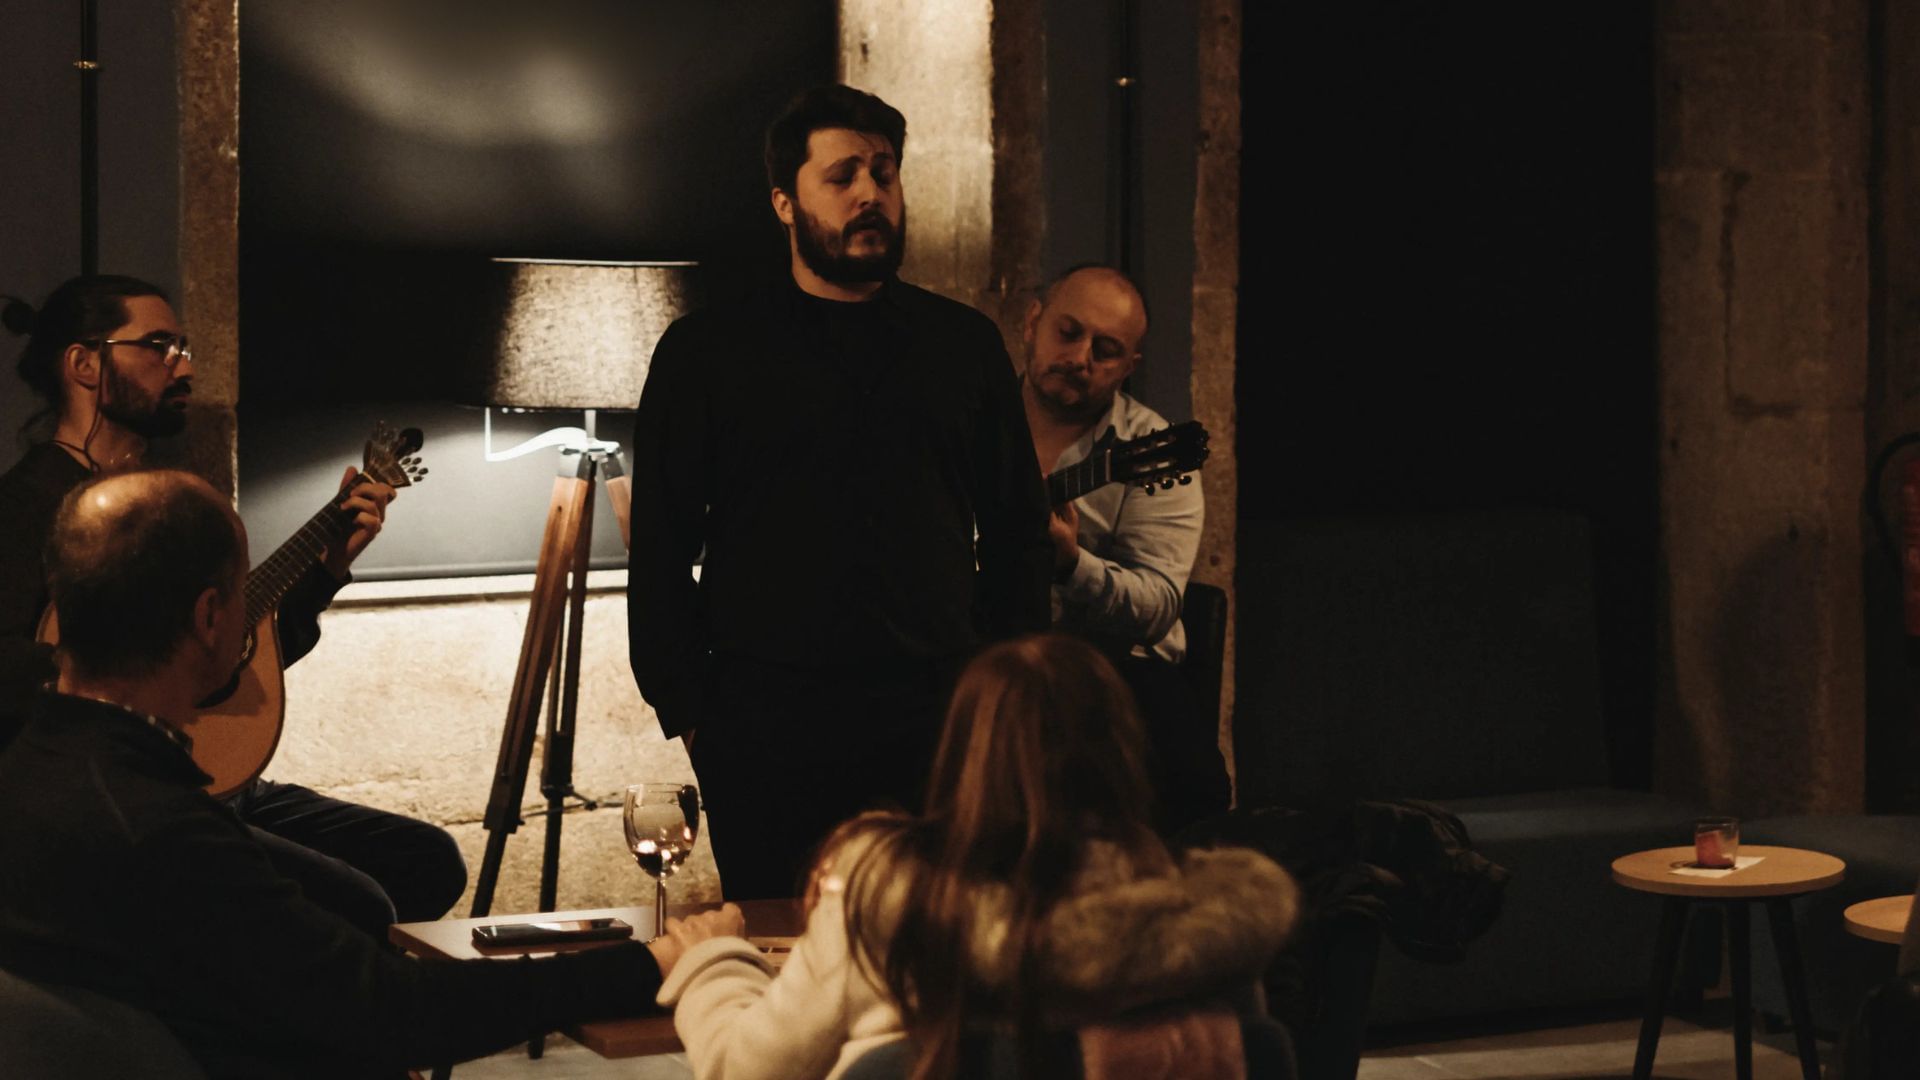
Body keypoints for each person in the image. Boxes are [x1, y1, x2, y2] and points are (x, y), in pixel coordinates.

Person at [0, 469, 677, 1079]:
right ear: (211, 617)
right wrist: (649, 963)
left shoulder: (32, 770)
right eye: (243, 596)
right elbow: (399, 1012)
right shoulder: (161, 831)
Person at [627, 84, 1054, 900]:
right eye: (844, 175)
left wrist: (1000, 701)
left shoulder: (962, 347)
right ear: (785, 201)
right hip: (765, 723)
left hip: (937, 718)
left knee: (938, 966)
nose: (871, 194)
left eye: (885, 174)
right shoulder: (707, 354)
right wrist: (692, 714)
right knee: (786, 979)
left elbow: (1017, 535)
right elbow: (659, 550)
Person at [0, 274, 466, 934]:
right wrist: (124, 671)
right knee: (361, 903)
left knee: (428, 859)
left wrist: (328, 570)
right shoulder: (27, 508)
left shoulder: (171, 501)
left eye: (185, 348)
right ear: (83, 362)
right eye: (159, 346)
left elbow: (232, 667)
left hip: (212, 781)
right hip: (127, 793)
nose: (184, 365)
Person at [651, 633, 1298, 1080]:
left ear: (961, 751)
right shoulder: (1201, 932)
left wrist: (710, 962)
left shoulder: (890, 900)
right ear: (1127, 753)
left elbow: (747, 1070)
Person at [1019, 263, 1230, 834]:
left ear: (1129, 367)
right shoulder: (971, 423)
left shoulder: (1151, 450)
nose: (1082, 357)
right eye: (1068, 332)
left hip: (1108, 676)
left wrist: (1071, 562)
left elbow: (1160, 604)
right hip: (992, 659)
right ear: (1032, 323)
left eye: (1106, 350)